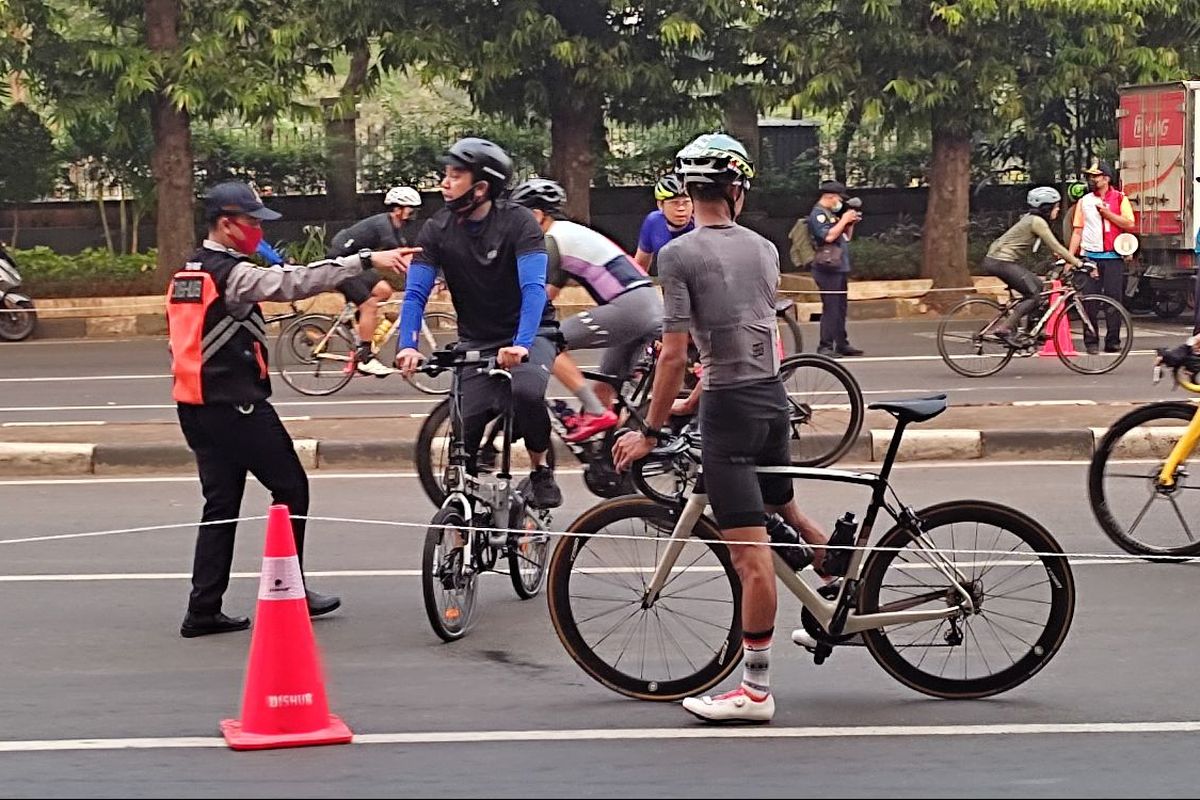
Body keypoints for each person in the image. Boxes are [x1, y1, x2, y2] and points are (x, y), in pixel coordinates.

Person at [613, 133, 833, 724]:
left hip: (731, 415)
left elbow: (675, 352)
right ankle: (836, 584)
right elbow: (750, 337)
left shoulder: (677, 255)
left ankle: (755, 692)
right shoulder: (763, 248)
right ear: (737, 190)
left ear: (688, 190)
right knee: (783, 507)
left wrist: (652, 431)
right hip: (770, 399)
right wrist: (692, 400)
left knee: (750, 559)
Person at [168, 181, 416, 638]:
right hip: (236, 405)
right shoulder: (232, 273)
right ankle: (289, 591)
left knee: (221, 504)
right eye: (252, 223)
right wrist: (362, 262)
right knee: (292, 489)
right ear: (227, 224)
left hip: (194, 406)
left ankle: (203, 608)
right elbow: (292, 281)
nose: (257, 232)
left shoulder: (188, 271)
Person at [395, 138, 563, 509]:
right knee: (465, 429)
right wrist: (407, 344)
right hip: (477, 339)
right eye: (445, 173)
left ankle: (539, 471)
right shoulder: (436, 230)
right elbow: (415, 294)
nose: (444, 182)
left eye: (456, 175)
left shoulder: (518, 222)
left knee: (526, 393)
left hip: (529, 332)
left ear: (481, 187)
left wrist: (521, 343)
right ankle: (460, 527)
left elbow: (533, 288)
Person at [509, 178, 663, 442]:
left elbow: (534, 295)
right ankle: (607, 462)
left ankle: (595, 412)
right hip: (644, 305)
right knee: (605, 388)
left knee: (544, 341)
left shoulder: (551, 239)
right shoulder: (568, 234)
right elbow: (549, 294)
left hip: (630, 307)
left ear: (536, 215)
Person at [328, 186, 423, 375]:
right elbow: (401, 257)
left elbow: (406, 253)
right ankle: (365, 358)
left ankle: (358, 325)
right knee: (370, 305)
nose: (413, 214)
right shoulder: (384, 226)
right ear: (397, 209)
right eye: (410, 209)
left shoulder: (396, 228)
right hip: (340, 266)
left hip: (356, 265)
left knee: (384, 290)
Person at [982, 187, 1087, 346]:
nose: (1058, 209)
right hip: (1001, 262)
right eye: (1055, 206)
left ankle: (1031, 331)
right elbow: (1056, 246)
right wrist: (1079, 263)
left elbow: (1050, 248)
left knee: (1040, 287)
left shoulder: (1031, 219)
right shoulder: (1037, 222)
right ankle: (1004, 328)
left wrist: (1059, 258)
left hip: (999, 260)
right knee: (1033, 295)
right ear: (1046, 207)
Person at [1069, 161, 1135, 354]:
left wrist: (1108, 214)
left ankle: (1113, 340)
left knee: (1114, 300)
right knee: (1089, 301)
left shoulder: (1120, 199)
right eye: (1091, 176)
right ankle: (1091, 341)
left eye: (1096, 176)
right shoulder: (1084, 201)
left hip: (1113, 257)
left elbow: (1129, 223)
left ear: (1106, 178)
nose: (1092, 179)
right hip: (1090, 257)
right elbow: (1077, 231)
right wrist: (1070, 257)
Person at [807, 180, 863, 357]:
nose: (840, 202)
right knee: (830, 308)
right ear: (830, 197)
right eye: (838, 198)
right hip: (827, 268)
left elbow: (845, 237)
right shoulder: (818, 214)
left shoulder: (831, 214)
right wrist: (844, 219)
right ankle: (825, 346)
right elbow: (828, 236)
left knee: (840, 308)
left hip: (838, 266)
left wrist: (849, 224)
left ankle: (841, 343)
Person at [632, 173, 695, 272]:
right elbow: (640, 265)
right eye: (674, 203)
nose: (681, 208)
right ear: (660, 204)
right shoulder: (653, 222)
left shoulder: (702, 223)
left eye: (686, 202)